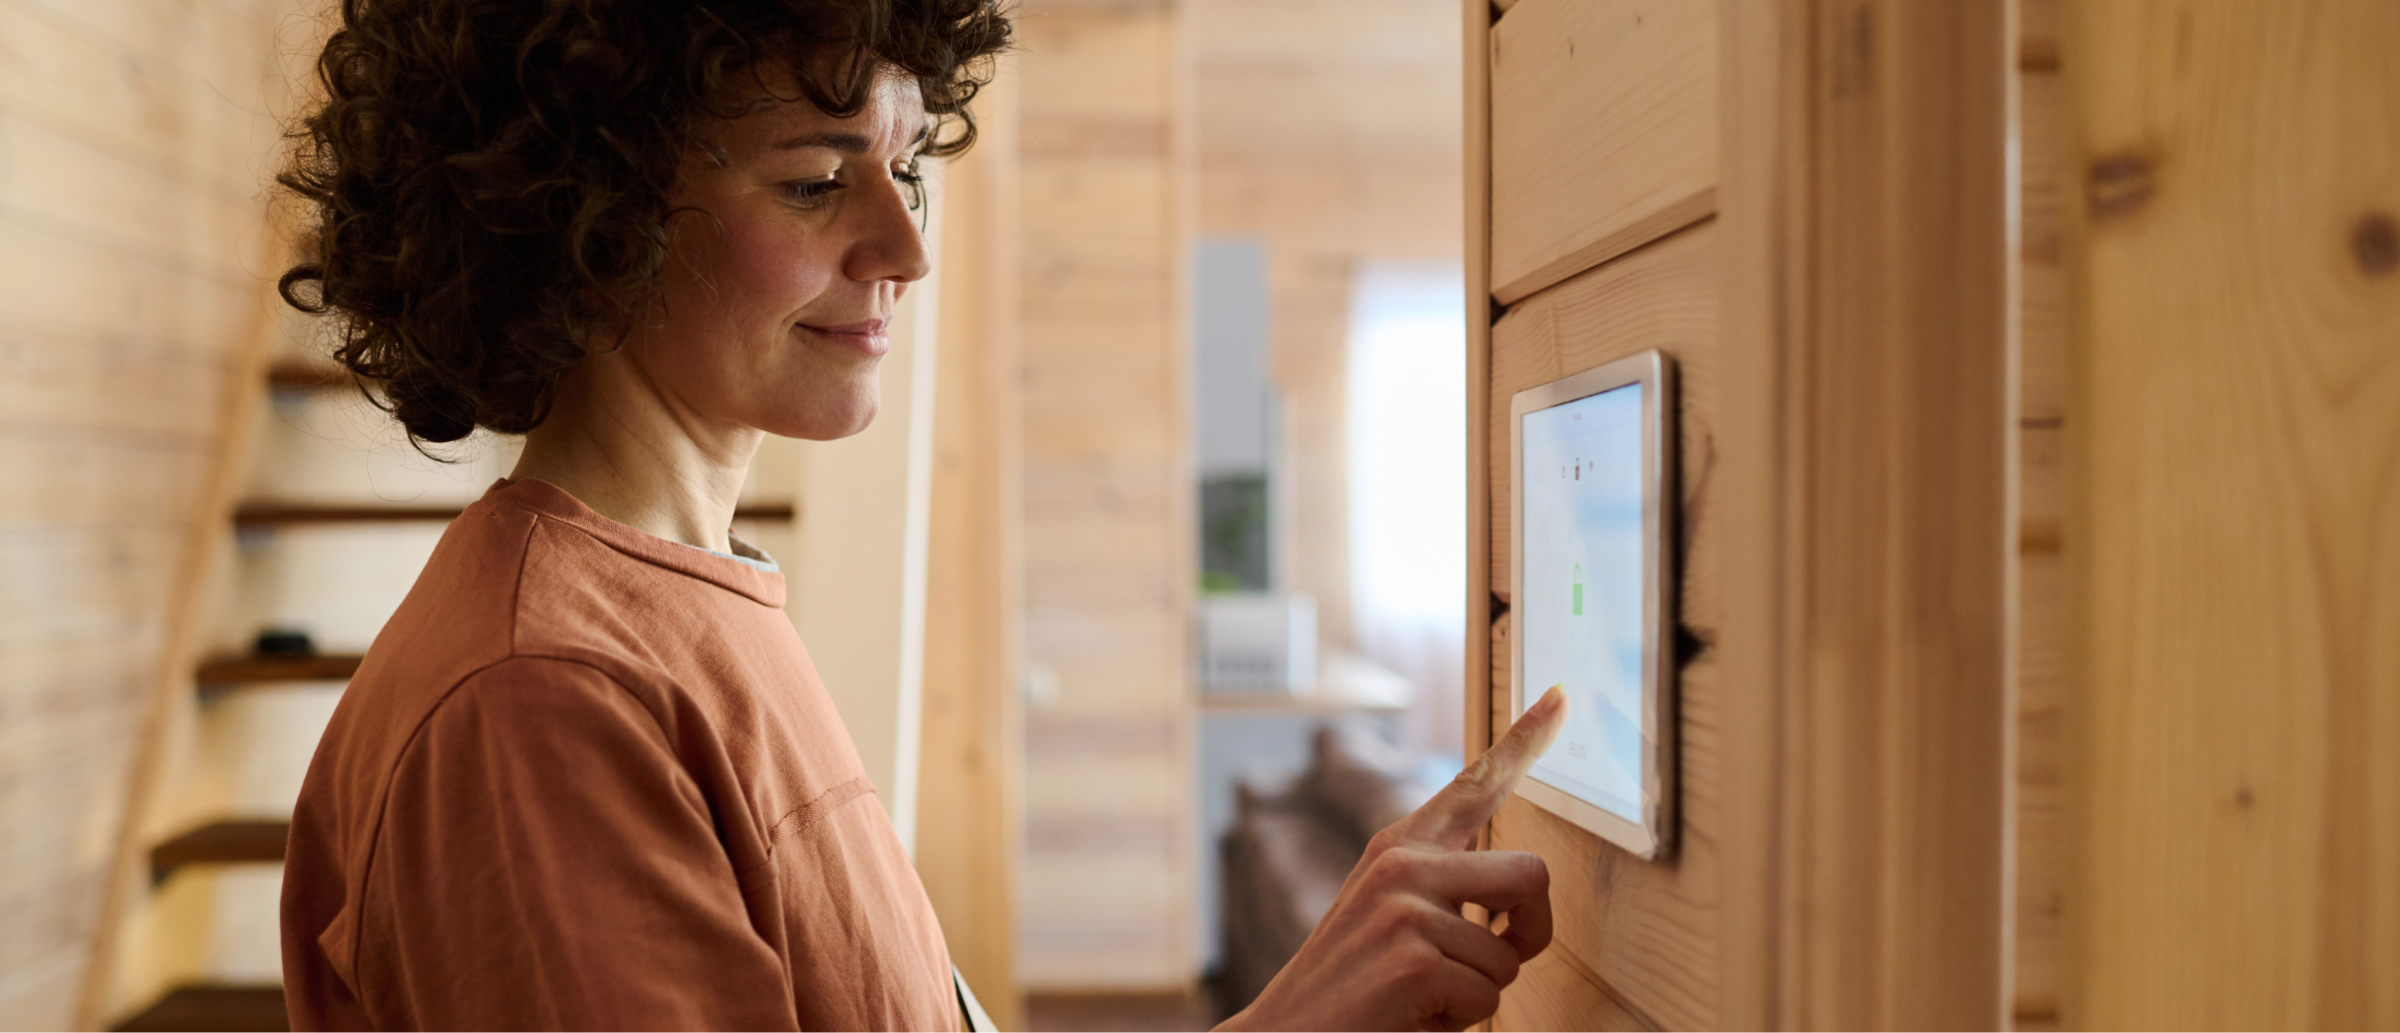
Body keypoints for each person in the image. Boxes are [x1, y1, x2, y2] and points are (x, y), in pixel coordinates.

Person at [273, 1, 1564, 1029]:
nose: (905, 245)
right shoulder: (540, 697)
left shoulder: (687, 595)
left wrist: (1301, 1001)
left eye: (901, 169)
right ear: (584, 221)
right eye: (815, 182)